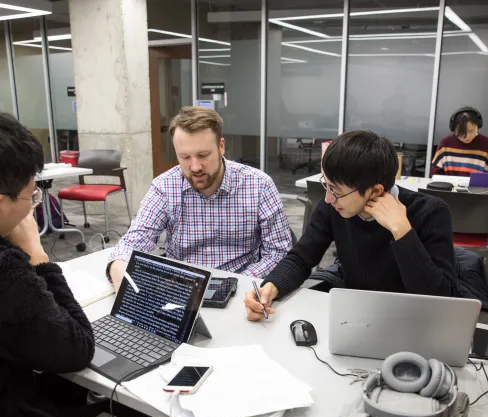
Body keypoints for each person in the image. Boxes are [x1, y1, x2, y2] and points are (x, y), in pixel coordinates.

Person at [0, 113, 164, 417]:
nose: (31, 210)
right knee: (146, 414)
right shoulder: (6, 271)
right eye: (31, 197)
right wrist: (38, 254)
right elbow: (77, 346)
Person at [244, 130, 459, 321]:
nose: (328, 199)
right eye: (326, 185)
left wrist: (401, 231)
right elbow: (302, 256)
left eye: (336, 190)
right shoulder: (334, 206)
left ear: (375, 191)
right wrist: (271, 287)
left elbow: (440, 300)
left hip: (411, 319)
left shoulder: (430, 211)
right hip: (354, 314)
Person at [108, 106, 292, 291]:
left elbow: (278, 253)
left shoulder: (259, 185)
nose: (195, 166)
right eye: (185, 157)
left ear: (221, 146)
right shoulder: (165, 187)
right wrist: (119, 266)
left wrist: (233, 285)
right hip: (181, 292)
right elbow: (137, 238)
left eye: (203, 155)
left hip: (242, 290)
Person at [431, 106, 488, 177]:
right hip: (450, 186)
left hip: (478, 187)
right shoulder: (445, 143)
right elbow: (436, 172)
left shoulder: (486, 143)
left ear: (478, 126)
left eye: (471, 131)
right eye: (461, 132)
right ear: (454, 129)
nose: (467, 136)